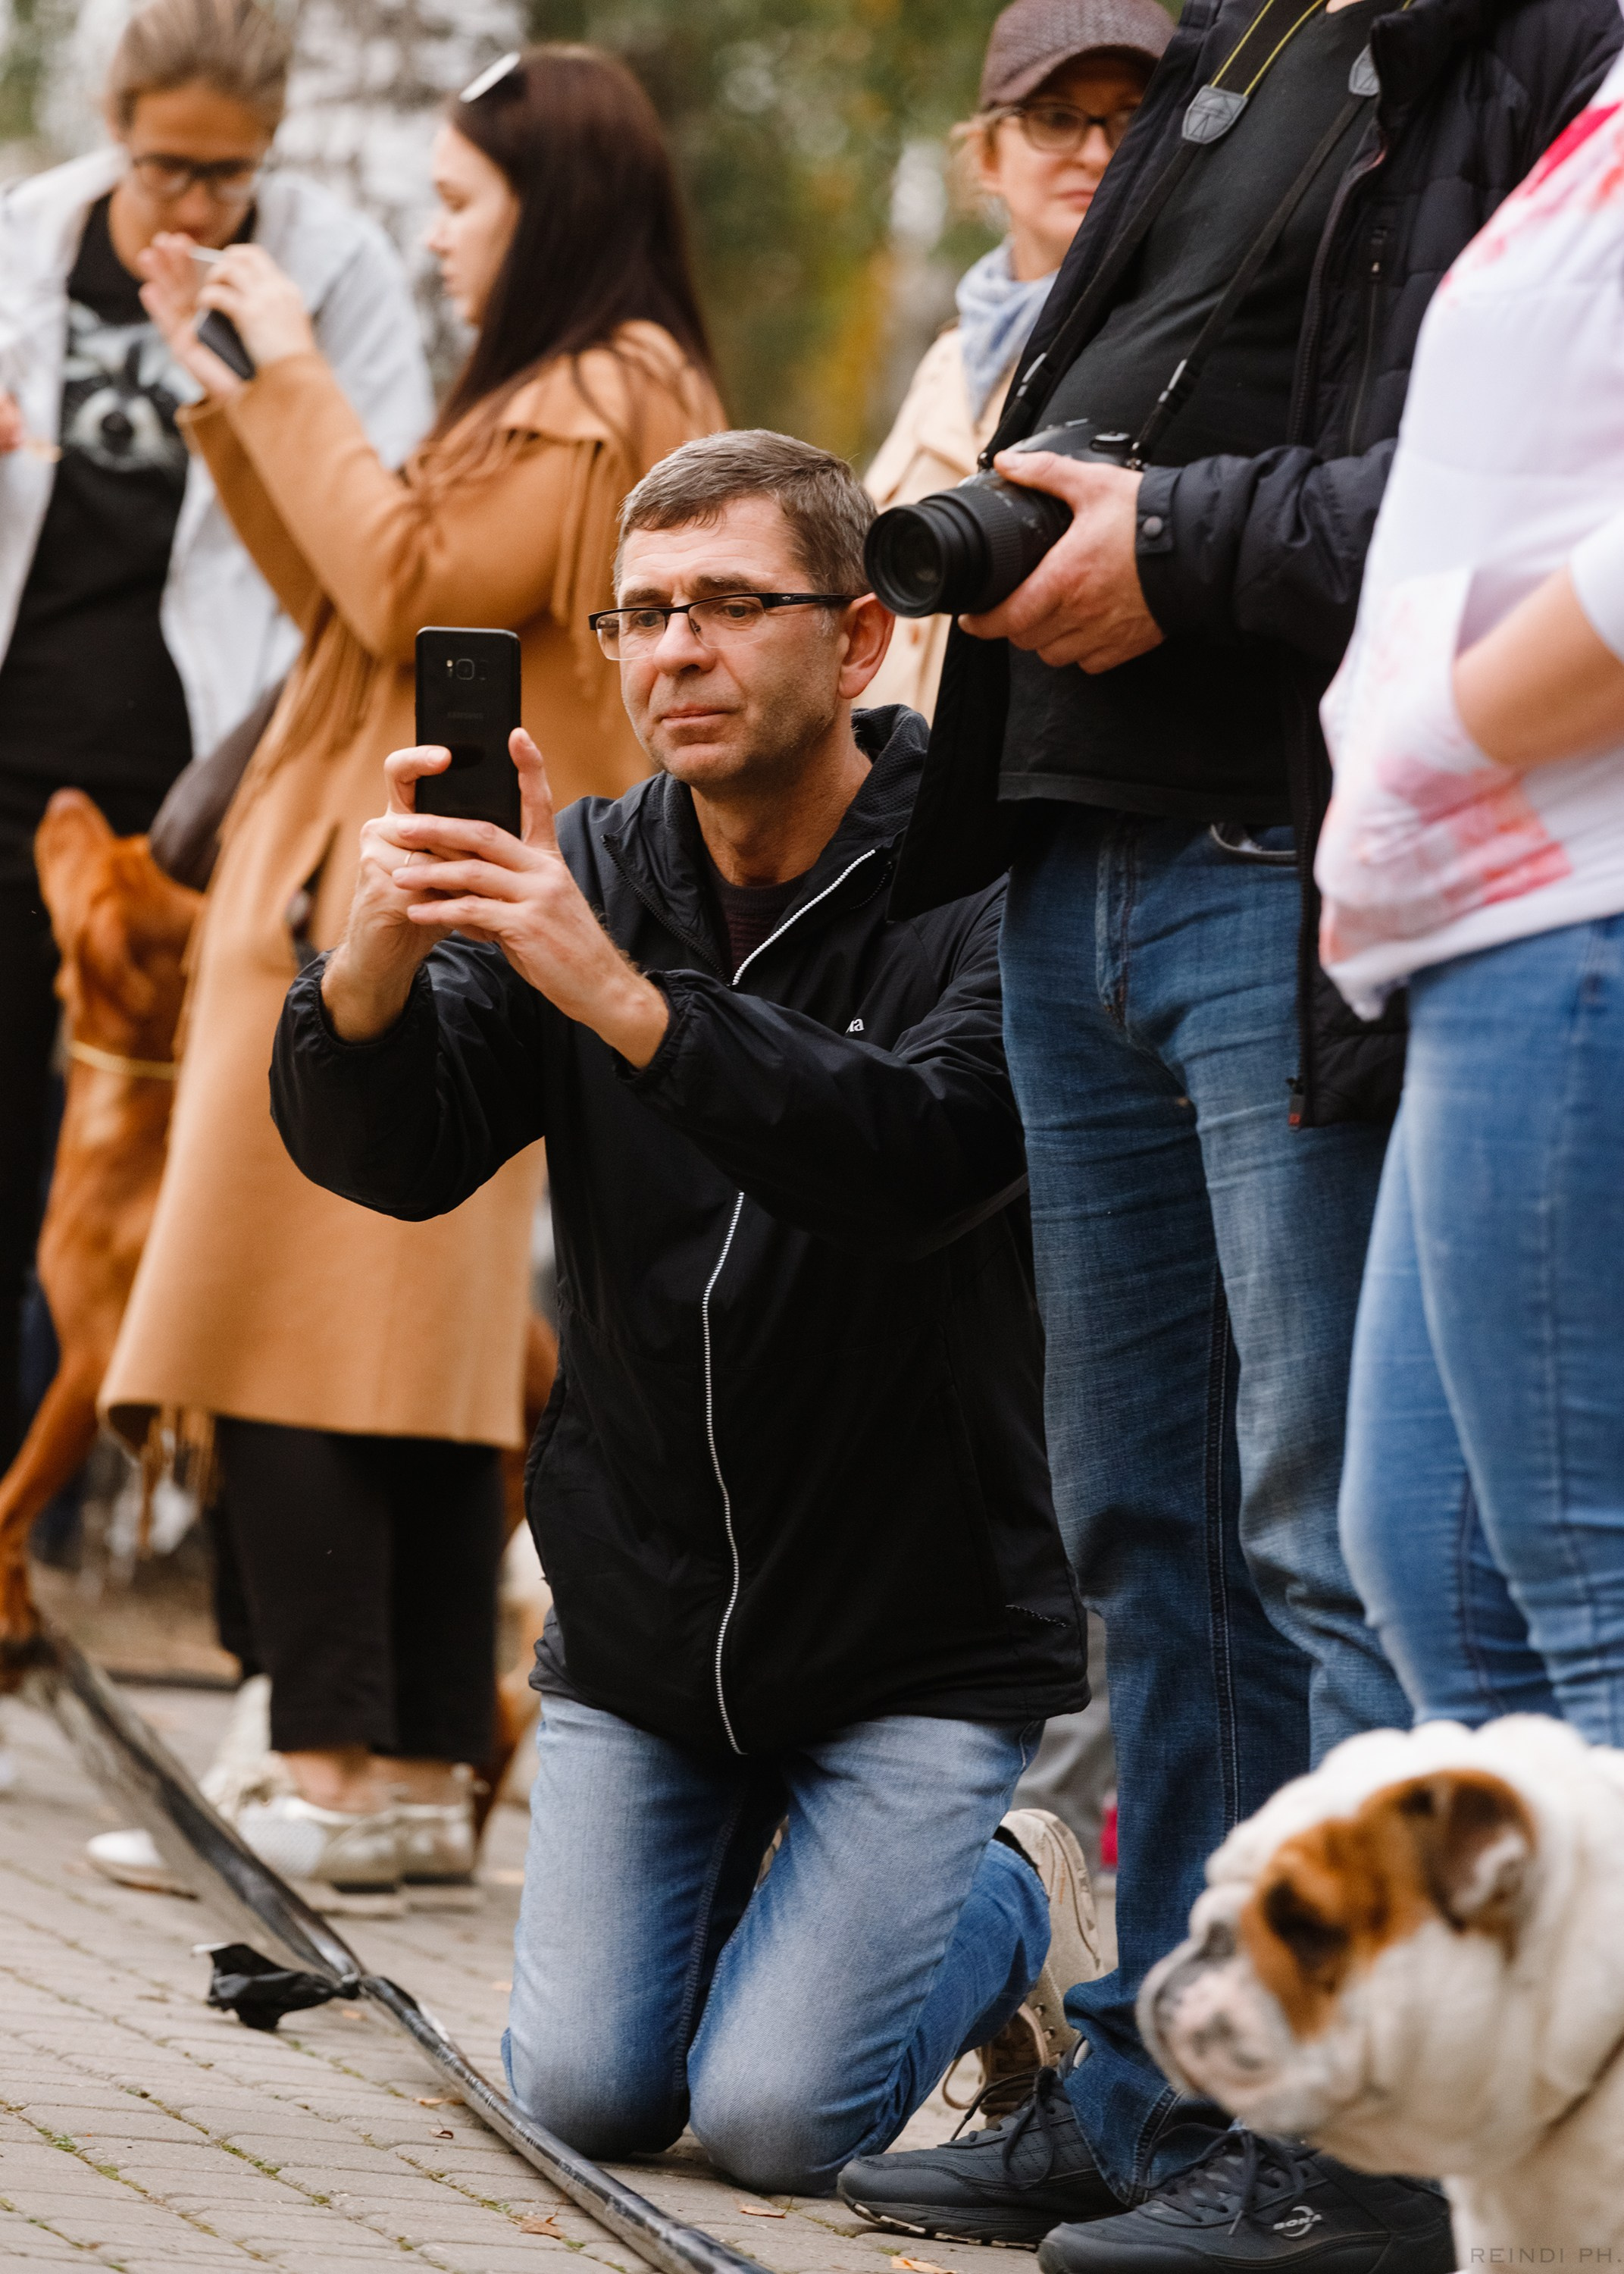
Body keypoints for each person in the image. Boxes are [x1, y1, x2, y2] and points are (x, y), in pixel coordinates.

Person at [840, 0, 1622, 2265]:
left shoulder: (1518, 54)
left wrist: (1190, 544)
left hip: (1307, 858)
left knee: (1347, 1547)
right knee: (1150, 1531)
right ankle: (1167, 2085)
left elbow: (1470, 492)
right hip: (1085, 848)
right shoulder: (1254, 40)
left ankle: (1353, 2146)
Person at [268, 428, 1094, 2192]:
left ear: (862, 639)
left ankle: (1016, 1888)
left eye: (729, 605)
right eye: (640, 615)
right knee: (581, 2092)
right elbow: (399, 1155)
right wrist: (375, 953)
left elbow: (924, 1151)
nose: (674, 654)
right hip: (649, 1627)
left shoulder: (990, 872)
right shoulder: (605, 861)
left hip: (914, 1632)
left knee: (781, 2119)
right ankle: (784, 1916)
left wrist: (626, 1000)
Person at [86, 44, 723, 1900]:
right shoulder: (571, 383)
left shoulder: (600, 387)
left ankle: (333, 1757)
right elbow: (344, 591)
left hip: (390, 902)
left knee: (276, 1322)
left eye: (462, 204)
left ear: (557, 203)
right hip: (410, 880)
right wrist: (228, 378)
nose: (438, 242)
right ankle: (416, 1763)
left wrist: (288, 358)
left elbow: (404, 584)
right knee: (392, 1353)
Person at [0, 0, 430, 1474]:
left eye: (227, 174)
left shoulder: (335, 272)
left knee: (162, 1152)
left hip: (204, 780)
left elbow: (381, 517)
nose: (192, 202)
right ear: (115, 134)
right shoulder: (25, 241)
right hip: (22, 751)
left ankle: (96, 1484)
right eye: (168, 168)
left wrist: (257, 375)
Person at [1318, 45, 1624, 1750]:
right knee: (1432, 1575)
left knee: (1584, 1601)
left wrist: (1438, 734)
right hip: (1494, 932)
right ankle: (1544, 2025)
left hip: (1576, 912)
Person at [864, 0, 1170, 721]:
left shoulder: (1188, 354)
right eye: (1056, 118)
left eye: (1132, 119)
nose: (1095, 152)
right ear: (988, 156)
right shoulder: (953, 353)